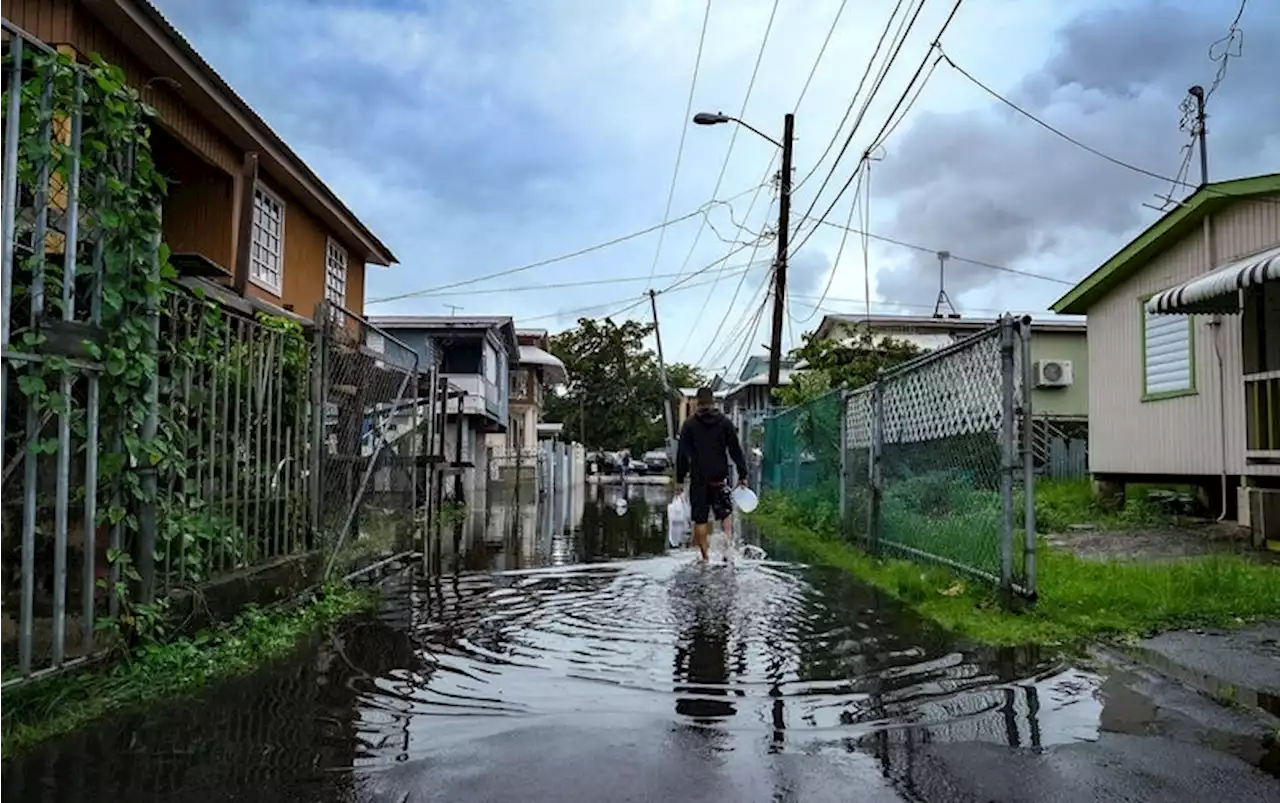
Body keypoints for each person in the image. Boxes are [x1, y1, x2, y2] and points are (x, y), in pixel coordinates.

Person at [674, 388, 749, 562]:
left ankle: (705, 557)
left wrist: (679, 479)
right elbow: (735, 450)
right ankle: (726, 552)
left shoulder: (689, 424)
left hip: (699, 478)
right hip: (719, 478)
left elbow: (682, 455)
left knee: (700, 519)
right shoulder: (725, 423)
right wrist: (743, 473)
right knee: (725, 515)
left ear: (697, 403)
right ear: (713, 401)